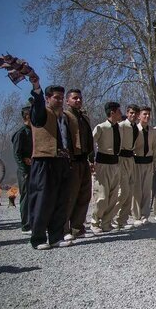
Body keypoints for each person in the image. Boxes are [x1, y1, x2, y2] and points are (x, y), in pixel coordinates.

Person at [27, 74, 80, 249]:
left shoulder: (64, 117)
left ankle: (56, 237)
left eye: (61, 98)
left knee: (61, 200)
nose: (59, 101)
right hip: (44, 161)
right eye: (55, 97)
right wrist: (36, 87)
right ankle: (39, 239)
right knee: (43, 200)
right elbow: (37, 111)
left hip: (62, 162)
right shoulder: (41, 112)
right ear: (47, 98)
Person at [63, 89, 93, 240]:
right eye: (75, 98)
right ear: (67, 101)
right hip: (71, 161)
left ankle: (77, 227)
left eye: (80, 98)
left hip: (84, 160)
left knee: (84, 195)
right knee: (70, 196)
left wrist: (91, 159)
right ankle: (63, 229)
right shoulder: (64, 116)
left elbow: (89, 140)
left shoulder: (84, 117)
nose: (78, 101)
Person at [91, 102, 123, 235]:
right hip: (103, 164)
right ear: (112, 112)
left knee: (113, 195)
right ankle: (95, 222)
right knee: (101, 196)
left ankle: (106, 222)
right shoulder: (101, 127)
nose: (121, 114)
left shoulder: (120, 128)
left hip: (115, 163)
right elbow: (91, 142)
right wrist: (91, 160)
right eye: (119, 111)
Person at [114, 104, 142, 230]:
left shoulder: (135, 127)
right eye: (131, 113)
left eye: (136, 114)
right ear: (127, 113)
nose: (133, 116)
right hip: (121, 158)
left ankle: (122, 220)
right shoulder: (121, 125)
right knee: (123, 191)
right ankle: (111, 218)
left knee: (130, 191)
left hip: (131, 158)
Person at [132, 106, 156, 226]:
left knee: (147, 190)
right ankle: (136, 216)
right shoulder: (135, 129)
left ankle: (145, 215)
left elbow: (154, 148)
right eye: (144, 114)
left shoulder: (152, 131)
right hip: (137, 163)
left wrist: (154, 163)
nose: (147, 117)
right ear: (139, 116)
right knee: (137, 190)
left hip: (149, 162)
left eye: (148, 114)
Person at [11, 105, 33, 233]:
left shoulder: (33, 131)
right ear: (27, 116)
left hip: (34, 168)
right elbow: (17, 154)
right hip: (24, 170)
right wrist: (24, 170)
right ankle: (26, 224)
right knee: (26, 196)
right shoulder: (20, 133)